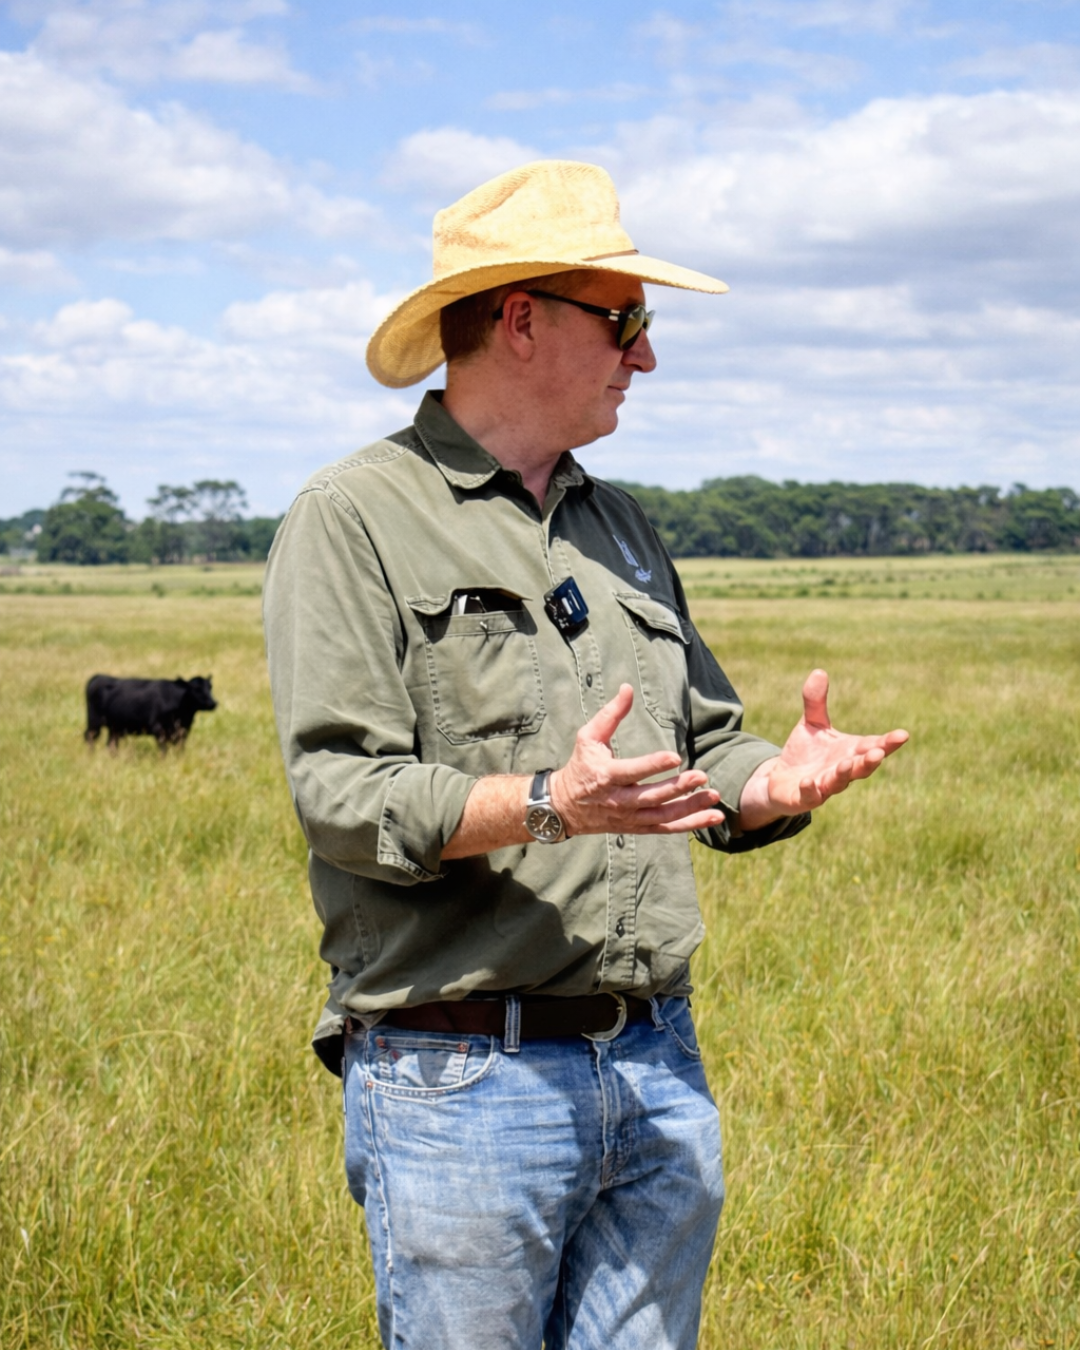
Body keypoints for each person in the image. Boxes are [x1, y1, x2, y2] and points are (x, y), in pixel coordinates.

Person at [263, 159, 907, 1350]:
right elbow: (343, 797)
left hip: (656, 1061)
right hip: (463, 1084)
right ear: (519, 319)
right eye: (627, 321)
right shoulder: (352, 518)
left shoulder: (620, 525)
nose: (645, 357)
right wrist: (555, 802)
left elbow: (706, 743)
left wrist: (770, 783)